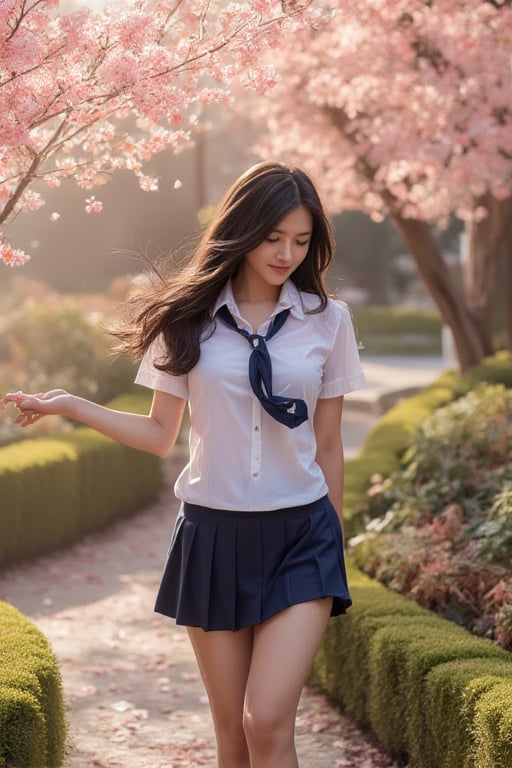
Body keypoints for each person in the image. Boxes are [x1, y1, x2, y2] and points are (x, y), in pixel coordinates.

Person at [1, 160, 366, 768]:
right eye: (273, 237)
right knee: (232, 735)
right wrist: (69, 405)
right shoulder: (187, 320)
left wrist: (335, 541)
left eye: (301, 241)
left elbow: (328, 444)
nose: (286, 254)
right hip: (214, 535)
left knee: (268, 720)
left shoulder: (329, 322)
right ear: (243, 230)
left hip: (302, 536)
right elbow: (156, 433)